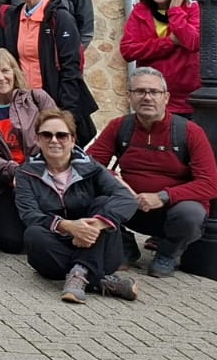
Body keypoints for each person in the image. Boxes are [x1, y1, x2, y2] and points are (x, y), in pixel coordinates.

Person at [85, 67, 217, 278]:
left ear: (166, 97)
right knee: (87, 194)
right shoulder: (120, 126)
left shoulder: (190, 132)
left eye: (154, 92)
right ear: (129, 96)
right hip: (130, 206)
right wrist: (115, 181)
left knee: (191, 214)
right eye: (140, 91)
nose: (147, 97)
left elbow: (210, 183)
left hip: (173, 212)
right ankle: (123, 245)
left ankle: (168, 253)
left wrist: (163, 196)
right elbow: (88, 165)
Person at [16, 107, 139, 302]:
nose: (54, 140)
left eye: (61, 135)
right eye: (46, 135)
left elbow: (126, 198)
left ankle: (79, 274)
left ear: (72, 140)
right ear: (38, 140)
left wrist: (94, 226)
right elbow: (29, 215)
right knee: (33, 234)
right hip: (56, 248)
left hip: (98, 243)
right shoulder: (25, 173)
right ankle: (98, 281)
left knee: (103, 203)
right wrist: (69, 227)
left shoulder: (91, 167)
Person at [0, 48, 56, 254]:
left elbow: (58, 134)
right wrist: (15, 173)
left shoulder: (37, 98)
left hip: (43, 175)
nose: (0, 77)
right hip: (7, 181)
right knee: (12, 242)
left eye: (5, 70)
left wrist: (32, 171)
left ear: (14, 72)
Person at [1, 0, 97, 144]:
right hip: (25, 103)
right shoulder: (13, 17)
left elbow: (71, 67)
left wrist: (67, 112)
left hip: (54, 103)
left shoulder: (59, 17)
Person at [120, 0, 200, 116]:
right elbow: (128, 51)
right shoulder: (140, 13)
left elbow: (193, 42)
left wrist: (175, 11)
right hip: (151, 96)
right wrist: (169, 42)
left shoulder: (192, 10)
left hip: (187, 98)